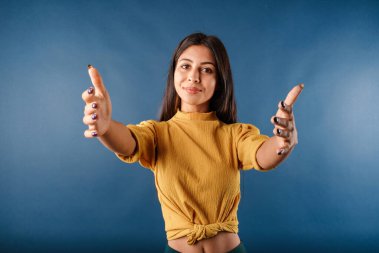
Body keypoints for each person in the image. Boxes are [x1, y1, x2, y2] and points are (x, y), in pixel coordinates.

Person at [81, 32, 303, 253]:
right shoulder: (157, 134)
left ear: (220, 81)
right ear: (174, 73)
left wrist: (284, 142)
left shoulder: (234, 134)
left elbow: (263, 155)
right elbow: (128, 142)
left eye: (206, 70)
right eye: (185, 66)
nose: (194, 77)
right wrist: (106, 127)